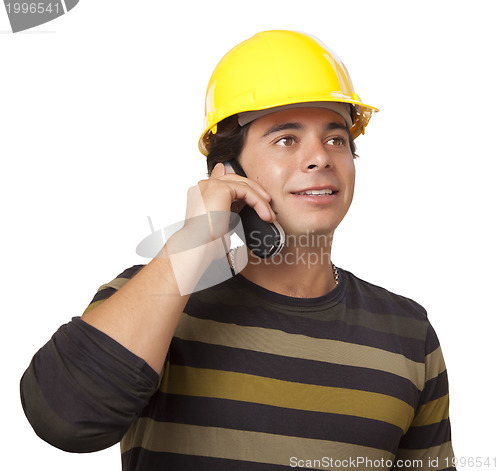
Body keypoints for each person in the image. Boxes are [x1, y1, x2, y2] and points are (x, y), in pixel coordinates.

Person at [20, 30, 456, 470]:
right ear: (227, 172)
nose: (320, 157)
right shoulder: (155, 298)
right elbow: (63, 418)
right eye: (286, 138)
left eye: (336, 138)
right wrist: (193, 240)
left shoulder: (408, 334)